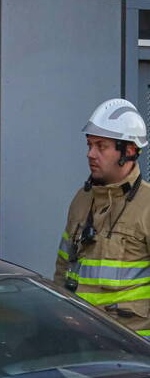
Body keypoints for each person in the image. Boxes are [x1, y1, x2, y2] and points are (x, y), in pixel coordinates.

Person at [54, 99, 150, 336]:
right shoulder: (82, 199)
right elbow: (63, 267)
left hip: (131, 344)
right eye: (89, 145)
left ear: (128, 151)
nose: (91, 154)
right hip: (80, 339)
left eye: (101, 146)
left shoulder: (147, 205)